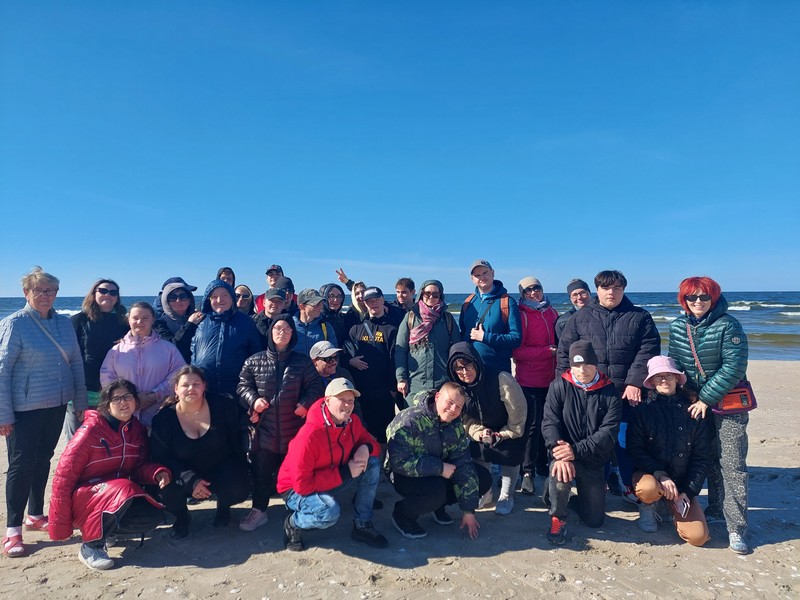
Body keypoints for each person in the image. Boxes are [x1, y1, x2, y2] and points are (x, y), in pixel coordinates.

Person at [0, 267, 87, 558]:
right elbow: (2, 371)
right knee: (20, 465)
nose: (45, 295)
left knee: (43, 459)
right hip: (24, 409)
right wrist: (3, 414)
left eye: (50, 290)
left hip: (57, 404)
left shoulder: (63, 323)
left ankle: (35, 515)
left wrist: (80, 401)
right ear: (26, 293)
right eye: (38, 290)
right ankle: (13, 531)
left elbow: (75, 362)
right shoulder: (15, 323)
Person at [556, 270, 660, 503]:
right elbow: (565, 354)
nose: (611, 292)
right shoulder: (580, 317)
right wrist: (564, 387)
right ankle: (596, 485)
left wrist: (634, 382)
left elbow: (649, 350)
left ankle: (629, 486)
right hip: (591, 392)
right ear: (597, 290)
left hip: (626, 393)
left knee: (625, 441)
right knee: (594, 440)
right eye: (606, 288)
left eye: (617, 288)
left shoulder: (640, 317)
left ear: (623, 289)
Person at [49, 380, 170, 570]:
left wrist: (156, 473)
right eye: (117, 399)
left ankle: (106, 532)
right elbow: (63, 478)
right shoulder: (91, 430)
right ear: (107, 404)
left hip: (116, 497)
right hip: (84, 500)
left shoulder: (136, 430)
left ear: (136, 401)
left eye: (128, 397)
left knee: (151, 515)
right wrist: (60, 525)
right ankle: (91, 546)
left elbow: (139, 467)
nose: (124, 402)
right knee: (124, 488)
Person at [667, 276, 750, 554]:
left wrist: (706, 398)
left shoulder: (728, 325)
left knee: (732, 464)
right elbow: (676, 365)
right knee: (708, 458)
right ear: (684, 300)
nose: (698, 302)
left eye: (704, 296)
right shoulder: (678, 327)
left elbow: (734, 366)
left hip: (727, 406)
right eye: (692, 297)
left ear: (713, 297)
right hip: (694, 404)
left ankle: (736, 528)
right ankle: (714, 508)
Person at [277, 378, 388, 551]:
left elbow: (374, 446)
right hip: (295, 489)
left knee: (372, 463)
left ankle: (362, 524)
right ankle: (293, 522)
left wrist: (365, 447)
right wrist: (345, 473)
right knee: (328, 512)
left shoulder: (352, 422)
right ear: (327, 401)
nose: (347, 405)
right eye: (341, 399)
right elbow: (302, 485)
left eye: (351, 400)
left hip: (332, 475)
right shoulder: (310, 435)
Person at [237, 315, 323, 532]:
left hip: (293, 430)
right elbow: (242, 386)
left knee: (296, 473)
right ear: (270, 332)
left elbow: (316, 387)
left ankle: (297, 511)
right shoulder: (253, 361)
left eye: (286, 329)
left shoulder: (302, 362)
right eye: (277, 328)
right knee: (261, 473)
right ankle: (259, 511)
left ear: (293, 333)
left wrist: (305, 403)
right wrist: (253, 400)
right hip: (264, 431)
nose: (281, 333)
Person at [150, 366, 250, 538]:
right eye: (185, 385)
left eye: (196, 384)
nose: (191, 388)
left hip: (220, 467)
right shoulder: (163, 419)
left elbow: (242, 427)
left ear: (204, 386)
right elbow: (161, 456)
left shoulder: (224, 405)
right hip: (183, 473)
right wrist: (191, 481)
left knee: (239, 487)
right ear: (176, 389)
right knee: (164, 486)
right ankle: (182, 516)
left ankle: (224, 506)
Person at [386, 382, 490, 540]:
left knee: (482, 477)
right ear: (437, 397)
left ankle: (437, 505)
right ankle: (402, 515)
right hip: (403, 474)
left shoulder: (455, 425)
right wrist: (439, 468)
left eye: (458, 406)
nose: (453, 409)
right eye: (450, 402)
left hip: (439, 470)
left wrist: (468, 511)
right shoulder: (410, 420)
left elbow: (462, 463)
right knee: (436, 492)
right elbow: (399, 462)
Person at [542, 341, 621, 545]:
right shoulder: (558, 386)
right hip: (564, 456)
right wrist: (558, 451)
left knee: (594, 521)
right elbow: (550, 422)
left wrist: (575, 450)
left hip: (592, 459)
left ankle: (574, 499)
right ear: (571, 366)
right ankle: (558, 517)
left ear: (596, 364)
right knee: (559, 474)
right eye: (577, 365)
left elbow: (608, 433)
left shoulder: (610, 390)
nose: (582, 370)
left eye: (587, 364)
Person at [627, 356, 711, 546]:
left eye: (669, 375)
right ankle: (649, 506)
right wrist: (660, 474)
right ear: (651, 381)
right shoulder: (642, 410)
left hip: (682, 483)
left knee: (698, 537)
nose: (664, 380)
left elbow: (701, 458)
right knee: (648, 488)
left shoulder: (693, 411)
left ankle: (672, 509)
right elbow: (635, 450)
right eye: (658, 376)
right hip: (652, 476)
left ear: (677, 378)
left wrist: (688, 491)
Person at [447, 342, 526, 515]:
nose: (465, 372)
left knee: (510, 455)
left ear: (476, 362)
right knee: (478, 453)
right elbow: (464, 418)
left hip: (508, 426)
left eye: (468, 366)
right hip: (482, 427)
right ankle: (486, 491)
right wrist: (479, 432)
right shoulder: (459, 389)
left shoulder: (501, 379)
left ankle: (506, 495)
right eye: (459, 368)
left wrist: (505, 433)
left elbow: (518, 411)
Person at [100, 302, 186, 428]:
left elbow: (179, 376)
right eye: (135, 318)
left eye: (145, 318)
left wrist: (155, 395)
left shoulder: (168, 349)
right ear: (128, 320)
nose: (140, 322)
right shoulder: (116, 351)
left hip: (159, 416)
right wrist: (130, 399)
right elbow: (107, 379)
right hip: (125, 418)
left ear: (153, 319)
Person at [512, 276, 559, 494]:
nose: (533, 293)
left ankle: (543, 465)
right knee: (531, 426)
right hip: (529, 379)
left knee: (548, 424)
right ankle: (527, 472)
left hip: (552, 379)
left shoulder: (552, 312)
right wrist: (547, 352)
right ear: (522, 294)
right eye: (528, 290)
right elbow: (517, 351)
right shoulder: (521, 315)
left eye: (536, 288)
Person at [66, 278, 129, 439]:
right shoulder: (78, 320)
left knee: (108, 442)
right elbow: (68, 357)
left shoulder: (125, 323)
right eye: (103, 291)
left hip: (113, 393)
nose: (108, 295)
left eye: (113, 292)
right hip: (82, 393)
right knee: (77, 443)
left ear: (117, 297)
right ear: (94, 294)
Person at [191, 280, 262, 398]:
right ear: (208, 300)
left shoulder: (246, 322)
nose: (219, 300)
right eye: (214, 297)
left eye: (224, 295)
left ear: (232, 298)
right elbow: (193, 351)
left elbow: (255, 354)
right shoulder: (200, 322)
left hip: (236, 390)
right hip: (204, 390)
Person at [345, 287, 398, 441]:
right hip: (361, 390)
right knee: (362, 431)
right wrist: (350, 361)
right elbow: (344, 353)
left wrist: (392, 388)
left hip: (384, 391)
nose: (374, 303)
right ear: (365, 303)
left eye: (377, 299)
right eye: (370, 301)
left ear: (383, 300)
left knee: (384, 434)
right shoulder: (356, 329)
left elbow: (395, 359)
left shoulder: (392, 328)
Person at [395, 279, 460, 400]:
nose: (431, 297)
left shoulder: (448, 319)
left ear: (440, 296)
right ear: (421, 294)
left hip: (442, 382)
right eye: (427, 293)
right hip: (415, 382)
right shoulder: (410, 317)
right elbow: (400, 350)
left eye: (435, 294)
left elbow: (457, 349)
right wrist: (401, 378)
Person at [459, 259, 522, 373]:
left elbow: (515, 339)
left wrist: (485, 337)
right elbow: (462, 334)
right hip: (471, 371)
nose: (482, 277)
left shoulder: (507, 302)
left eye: (485, 273)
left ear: (492, 273)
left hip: (497, 370)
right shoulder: (468, 302)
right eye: (477, 275)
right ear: (472, 279)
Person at [154, 281, 202, 363]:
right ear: (166, 302)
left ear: (189, 300)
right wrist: (190, 325)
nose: (178, 300)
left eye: (183, 297)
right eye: (172, 298)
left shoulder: (199, 318)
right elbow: (172, 347)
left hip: (197, 368)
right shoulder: (159, 324)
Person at [294, 288, 337, 355]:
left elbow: (334, 354)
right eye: (316, 304)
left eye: (321, 303)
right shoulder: (289, 326)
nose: (321, 307)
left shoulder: (326, 327)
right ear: (301, 306)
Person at [554, 278, 591, 343]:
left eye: (583, 293)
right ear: (570, 298)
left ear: (589, 293)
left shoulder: (603, 314)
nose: (579, 297)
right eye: (575, 295)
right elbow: (561, 346)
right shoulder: (563, 321)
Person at [319, 283, 348, 347]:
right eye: (331, 296)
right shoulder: (317, 319)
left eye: (339, 296)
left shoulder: (344, 318)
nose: (336, 300)